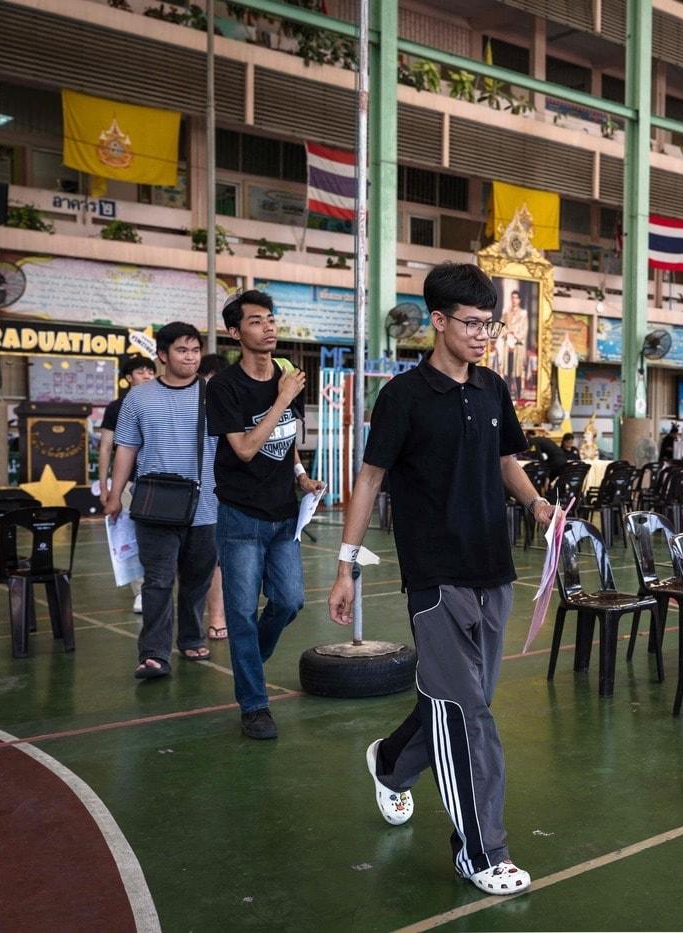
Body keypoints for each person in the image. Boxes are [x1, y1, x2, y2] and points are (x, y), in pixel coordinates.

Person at [327, 262, 553, 896]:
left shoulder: (491, 390)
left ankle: (392, 763)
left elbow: (507, 460)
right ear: (439, 321)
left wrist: (534, 502)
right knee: (465, 714)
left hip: (493, 567)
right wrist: (345, 565)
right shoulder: (402, 397)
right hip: (434, 575)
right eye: (473, 324)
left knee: (462, 699)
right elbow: (369, 480)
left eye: (491, 324)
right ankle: (480, 851)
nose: (484, 335)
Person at [207, 290, 324, 739]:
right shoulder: (224, 387)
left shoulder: (287, 373)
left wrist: (300, 475)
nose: (269, 327)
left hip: (283, 516)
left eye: (271, 319)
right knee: (240, 613)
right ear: (235, 333)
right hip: (240, 517)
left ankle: (250, 655)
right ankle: (255, 706)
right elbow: (245, 448)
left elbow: (288, 437)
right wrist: (280, 399)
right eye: (256, 321)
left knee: (290, 601)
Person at [103, 323, 218, 679]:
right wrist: (114, 495)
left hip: (207, 505)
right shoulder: (138, 399)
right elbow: (127, 448)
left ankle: (191, 636)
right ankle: (153, 653)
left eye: (195, 350)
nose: (190, 357)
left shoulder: (213, 394)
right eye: (182, 351)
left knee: (197, 579)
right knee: (158, 580)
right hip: (155, 504)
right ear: (163, 356)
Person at [99, 355, 156, 614]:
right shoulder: (116, 407)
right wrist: (106, 487)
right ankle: (141, 591)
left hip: (158, 483)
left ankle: (159, 587)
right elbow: (106, 448)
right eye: (141, 371)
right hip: (127, 483)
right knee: (133, 539)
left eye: (150, 371)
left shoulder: (161, 403)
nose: (147, 375)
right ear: (128, 377)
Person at [199, 352, 230, 641]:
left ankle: (217, 617)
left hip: (221, 494)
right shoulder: (191, 407)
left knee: (218, 560)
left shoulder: (231, 406)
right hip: (188, 495)